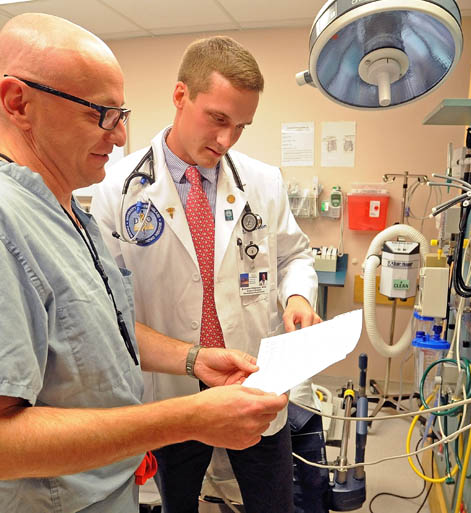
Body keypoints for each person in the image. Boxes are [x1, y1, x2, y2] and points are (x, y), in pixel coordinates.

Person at [0, 14, 288, 513]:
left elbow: (101, 329)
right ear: (19, 102)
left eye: (121, 114)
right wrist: (186, 418)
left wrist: (192, 359)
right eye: (101, 113)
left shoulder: (66, 211)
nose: (121, 136)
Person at [92, 36, 322, 513]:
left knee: (272, 500)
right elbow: (106, 305)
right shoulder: (119, 190)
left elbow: (294, 256)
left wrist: (297, 296)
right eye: (218, 119)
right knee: (178, 502)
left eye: (240, 126)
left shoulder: (263, 181)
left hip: (252, 373)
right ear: (181, 96)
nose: (226, 140)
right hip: (172, 382)